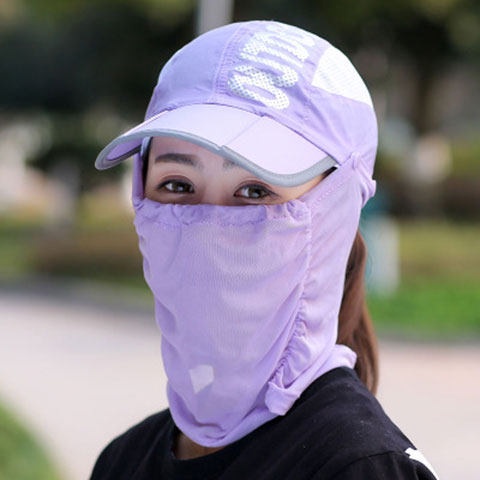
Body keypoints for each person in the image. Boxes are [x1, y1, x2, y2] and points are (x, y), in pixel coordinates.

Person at [90, 20, 439, 479]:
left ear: (336, 213)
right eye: (177, 185)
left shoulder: (361, 468)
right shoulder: (122, 460)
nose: (208, 225)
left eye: (255, 191)